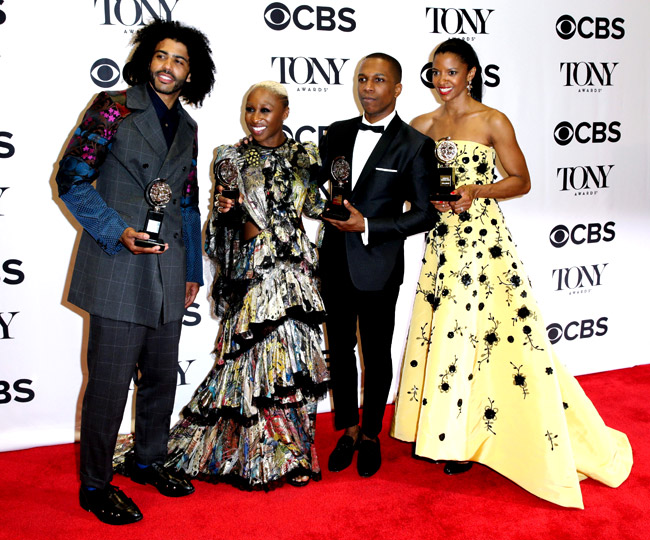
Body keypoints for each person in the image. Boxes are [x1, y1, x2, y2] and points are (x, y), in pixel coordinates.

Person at [391, 38, 632, 508]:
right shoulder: (419, 126)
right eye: (436, 72)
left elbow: (521, 181)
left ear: (472, 73)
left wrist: (476, 190)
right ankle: (451, 432)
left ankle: (474, 436)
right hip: (441, 244)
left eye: (452, 72)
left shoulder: (492, 120)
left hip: (483, 243)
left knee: (494, 333)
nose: (443, 81)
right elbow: (405, 187)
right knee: (450, 331)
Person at [56, 20, 215, 524]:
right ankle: (95, 485)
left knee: (162, 378)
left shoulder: (188, 127)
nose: (169, 66)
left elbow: (187, 203)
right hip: (118, 261)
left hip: (168, 266)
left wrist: (192, 268)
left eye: (180, 60)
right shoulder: (113, 107)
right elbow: (71, 179)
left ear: (192, 74)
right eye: (162, 56)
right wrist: (116, 229)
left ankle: (147, 460)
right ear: (148, 59)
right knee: (108, 381)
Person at [164, 81, 329, 489]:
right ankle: (255, 456)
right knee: (251, 363)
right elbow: (219, 229)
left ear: (285, 113)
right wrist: (229, 214)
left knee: (292, 366)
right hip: (254, 271)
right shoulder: (230, 158)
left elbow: (317, 207)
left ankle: (293, 455)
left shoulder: (303, 157)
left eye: (265, 110)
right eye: (250, 109)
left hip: (295, 273)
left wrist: (344, 206)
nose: (256, 118)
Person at [318, 53, 438, 478]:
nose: (368, 87)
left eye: (379, 80)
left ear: (397, 88)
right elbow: (321, 188)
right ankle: (347, 429)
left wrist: (368, 224)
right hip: (333, 261)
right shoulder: (334, 133)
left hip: (379, 264)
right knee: (340, 352)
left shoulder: (415, 145)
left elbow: (425, 213)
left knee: (376, 353)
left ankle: (371, 435)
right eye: (363, 79)